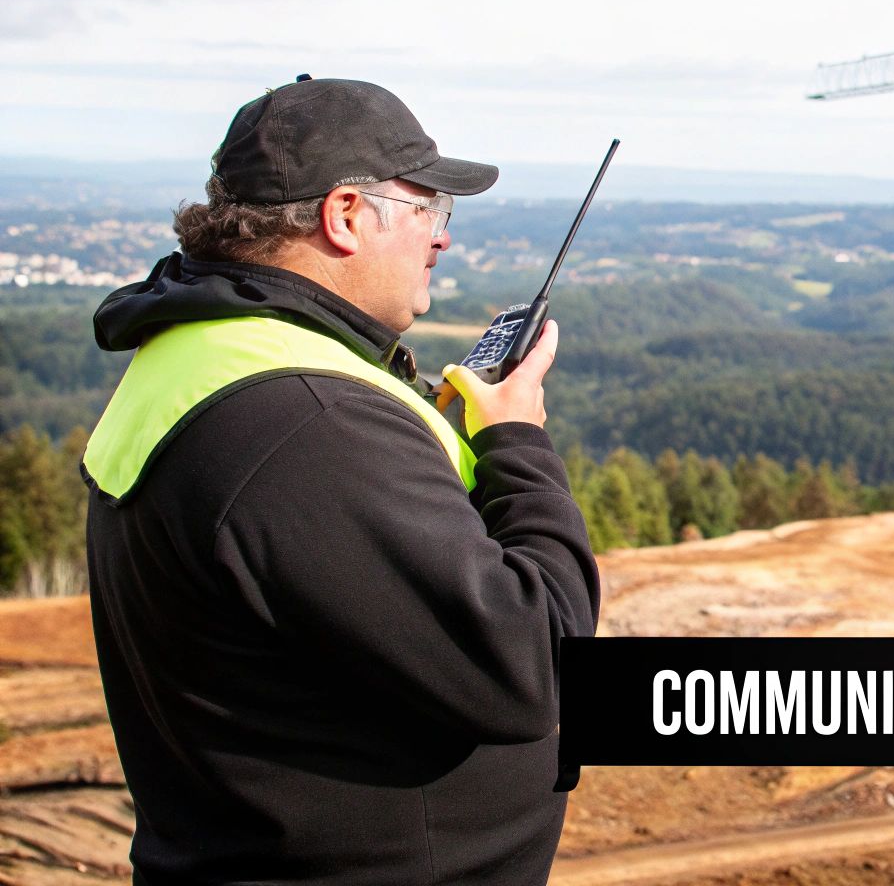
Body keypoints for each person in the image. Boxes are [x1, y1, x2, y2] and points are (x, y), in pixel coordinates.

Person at [82, 76, 600, 884]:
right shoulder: (308, 421)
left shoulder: (214, 353)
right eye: (432, 209)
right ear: (347, 215)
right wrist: (517, 441)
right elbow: (532, 661)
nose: (442, 239)